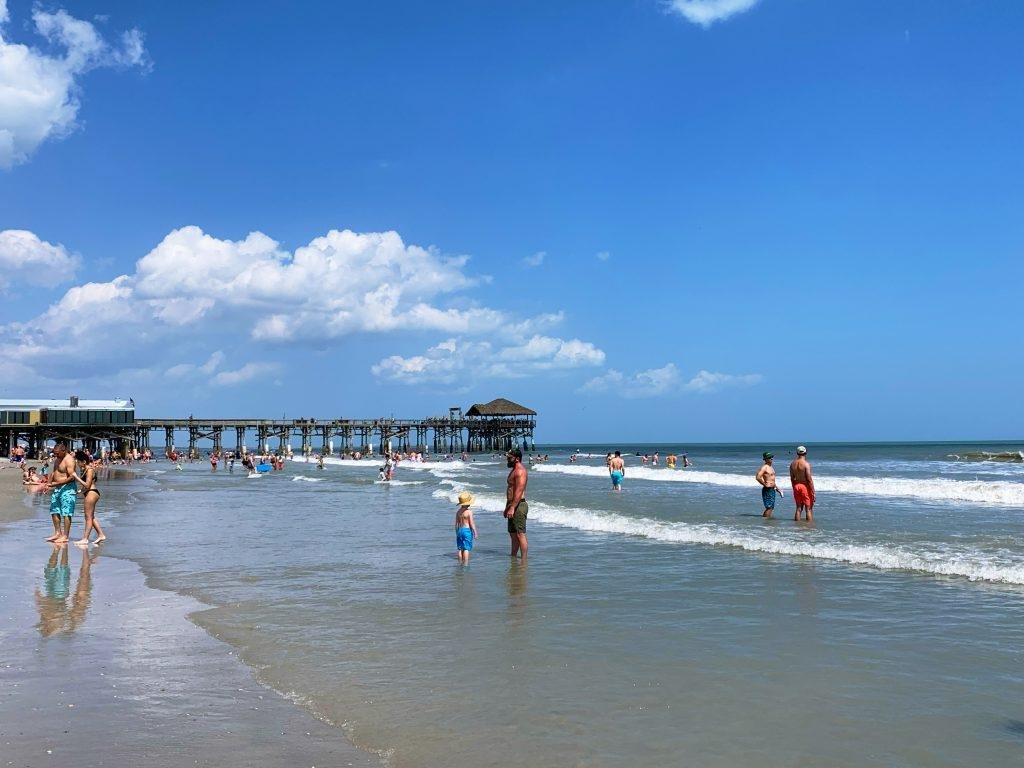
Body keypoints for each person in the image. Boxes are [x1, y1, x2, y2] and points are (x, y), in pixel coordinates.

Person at [46, 442, 78, 544]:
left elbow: (72, 477)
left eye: (57, 453)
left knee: (66, 512)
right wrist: (48, 484)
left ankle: (65, 536)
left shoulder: (69, 460)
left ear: (63, 451)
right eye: (55, 453)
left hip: (68, 488)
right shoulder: (57, 459)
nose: (56, 455)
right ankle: (57, 533)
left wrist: (56, 483)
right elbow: (54, 472)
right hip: (57, 488)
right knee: (54, 510)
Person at [72, 450, 105, 545]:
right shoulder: (85, 470)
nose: (77, 464)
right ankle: (101, 535)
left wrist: (76, 477)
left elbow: (87, 485)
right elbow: (85, 487)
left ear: (84, 461)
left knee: (88, 517)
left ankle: (85, 539)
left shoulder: (89, 470)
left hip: (92, 493)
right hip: (89, 492)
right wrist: (78, 492)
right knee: (91, 517)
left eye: (78, 462)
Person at [504, 448, 529, 559]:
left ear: (517, 459)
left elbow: (518, 491)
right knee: (513, 534)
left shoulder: (520, 471)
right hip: (512, 505)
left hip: (519, 505)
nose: (507, 460)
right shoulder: (514, 470)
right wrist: (507, 507)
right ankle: (513, 557)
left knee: (520, 534)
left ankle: (524, 560)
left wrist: (512, 507)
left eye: (510, 458)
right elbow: (511, 491)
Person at [789, 446, 815, 522]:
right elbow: (809, 479)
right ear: (806, 453)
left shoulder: (792, 464)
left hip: (796, 486)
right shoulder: (806, 464)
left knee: (798, 508)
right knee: (808, 508)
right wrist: (813, 490)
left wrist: (794, 487)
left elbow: (792, 478)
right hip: (805, 486)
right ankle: (809, 527)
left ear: (797, 453)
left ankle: (797, 526)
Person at [755, 452, 783, 519]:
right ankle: (765, 522)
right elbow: (758, 477)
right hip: (767, 489)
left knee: (771, 507)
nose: (771, 458)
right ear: (765, 459)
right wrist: (764, 484)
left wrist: (777, 488)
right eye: (770, 457)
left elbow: (772, 480)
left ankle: (767, 521)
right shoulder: (764, 467)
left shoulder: (771, 467)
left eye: (772, 457)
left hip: (772, 489)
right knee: (769, 507)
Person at [454, 491, 478, 565]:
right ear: (468, 503)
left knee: (460, 548)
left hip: (460, 531)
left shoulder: (458, 512)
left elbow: (456, 524)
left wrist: (457, 532)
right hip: (467, 531)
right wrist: (475, 532)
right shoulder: (469, 512)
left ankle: (460, 562)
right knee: (466, 548)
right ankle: (466, 564)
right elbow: (471, 523)